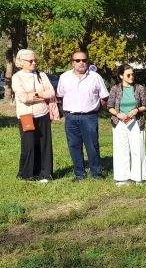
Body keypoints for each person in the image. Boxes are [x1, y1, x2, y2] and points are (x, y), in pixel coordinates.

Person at [57, 50, 109, 180]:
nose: (81, 63)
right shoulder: (64, 77)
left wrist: (96, 110)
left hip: (90, 117)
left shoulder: (95, 77)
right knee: (74, 145)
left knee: (92, 145)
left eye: (84, 60)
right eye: (77, 60)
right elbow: (60, 96)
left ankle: (96, 173)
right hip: (71, 117)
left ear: (88, 62)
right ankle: (79, 174)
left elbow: (104, 97)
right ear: (72, 63)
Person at [11, 49, 57, 182]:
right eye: (30, 61)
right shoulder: (17, 77)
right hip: (26, 115)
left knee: (45, 144)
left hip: (43, 113)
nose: (34, 63)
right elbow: (24, 98)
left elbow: (51, 93)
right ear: (21, 62)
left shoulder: (41, 75)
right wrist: (40, 94)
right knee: (29, 145)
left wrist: (35, 94)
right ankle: (26, 174)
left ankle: (45, 174)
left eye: (35, 60)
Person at [106, 64, 146, 186]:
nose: (131, 77)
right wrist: (118, 114)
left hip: (135, 122)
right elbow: (109, 106)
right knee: (121, 149)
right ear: (121, 76)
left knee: (138, 149)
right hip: (119, 122)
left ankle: (138, 177)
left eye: (132, 74)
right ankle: (122, 178)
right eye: (128, 75)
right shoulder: (115, 89)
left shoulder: (140, 88)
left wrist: (137, 110)